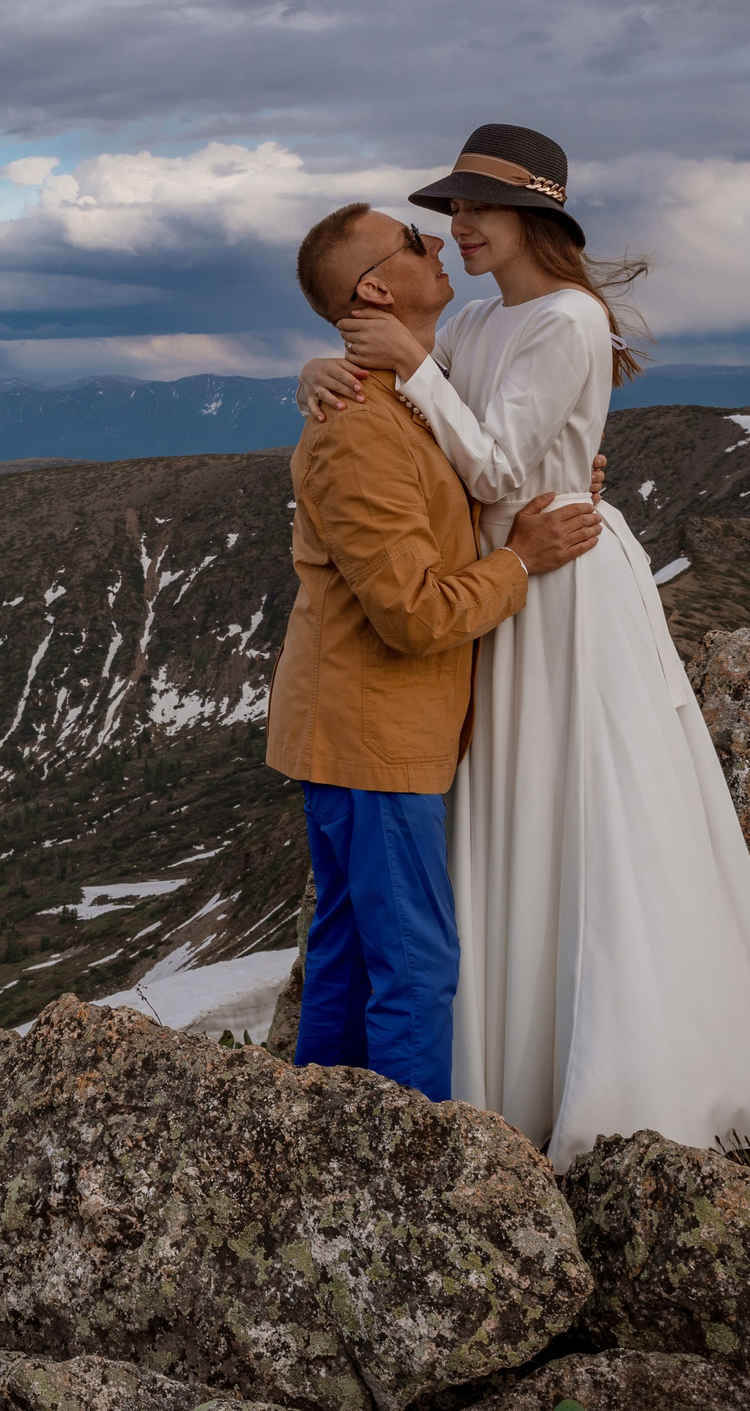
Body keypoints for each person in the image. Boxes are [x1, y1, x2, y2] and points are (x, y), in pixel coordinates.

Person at [298, 124, 750, 1169]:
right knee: (511, 802)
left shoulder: (568, 320)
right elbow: (415, 426)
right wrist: (332, 365)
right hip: (504, 582)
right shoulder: (487, 322)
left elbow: (492, 468)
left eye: (473, 210)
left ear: (533, 215)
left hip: (555, 579)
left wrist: (409, 360)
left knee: (577, 804)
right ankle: (497, 1066)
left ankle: (600, 1066)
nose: (460, 230)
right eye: (445, 214)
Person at [266, 200, 603, 1101]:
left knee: (346, 947)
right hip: (373, 733)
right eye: (416, 239)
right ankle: (411, 1178)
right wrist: (520, 562)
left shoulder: (403, 393)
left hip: (358, 732)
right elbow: (411, 614)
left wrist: (558, 476)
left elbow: (483, 445)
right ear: (377, 286)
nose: (438, 240)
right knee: (412, 963)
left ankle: (324, 1131)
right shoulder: (364, 427)